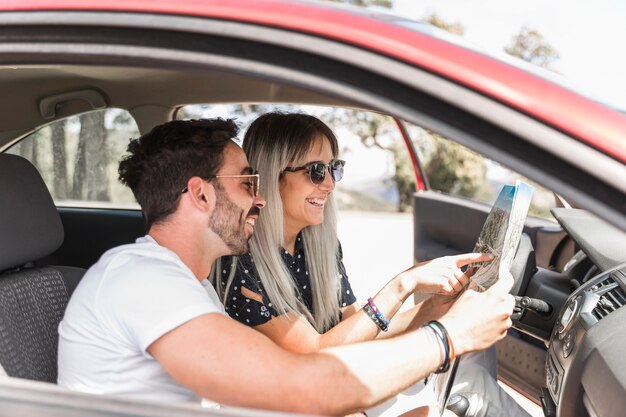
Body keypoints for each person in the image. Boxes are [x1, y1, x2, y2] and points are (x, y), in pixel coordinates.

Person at [58, 118, 515, 417]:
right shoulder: (141, 278)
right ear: (200, 195)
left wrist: (438, 309)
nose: (260, 197)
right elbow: (306, 386)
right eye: (247, 182)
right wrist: (450, 336)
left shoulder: (188, 285)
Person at [216, 112, 530, 417]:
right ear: (273, 176)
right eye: (315, 171)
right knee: (458, 390)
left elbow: (364, 333)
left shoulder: (316, 248)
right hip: (295, 402)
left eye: (334, 169)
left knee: (468, 364)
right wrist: (403, 285)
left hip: (334, 388)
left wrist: (436, 308)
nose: (329, 184)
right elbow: (316, 353)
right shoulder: (243, 263)